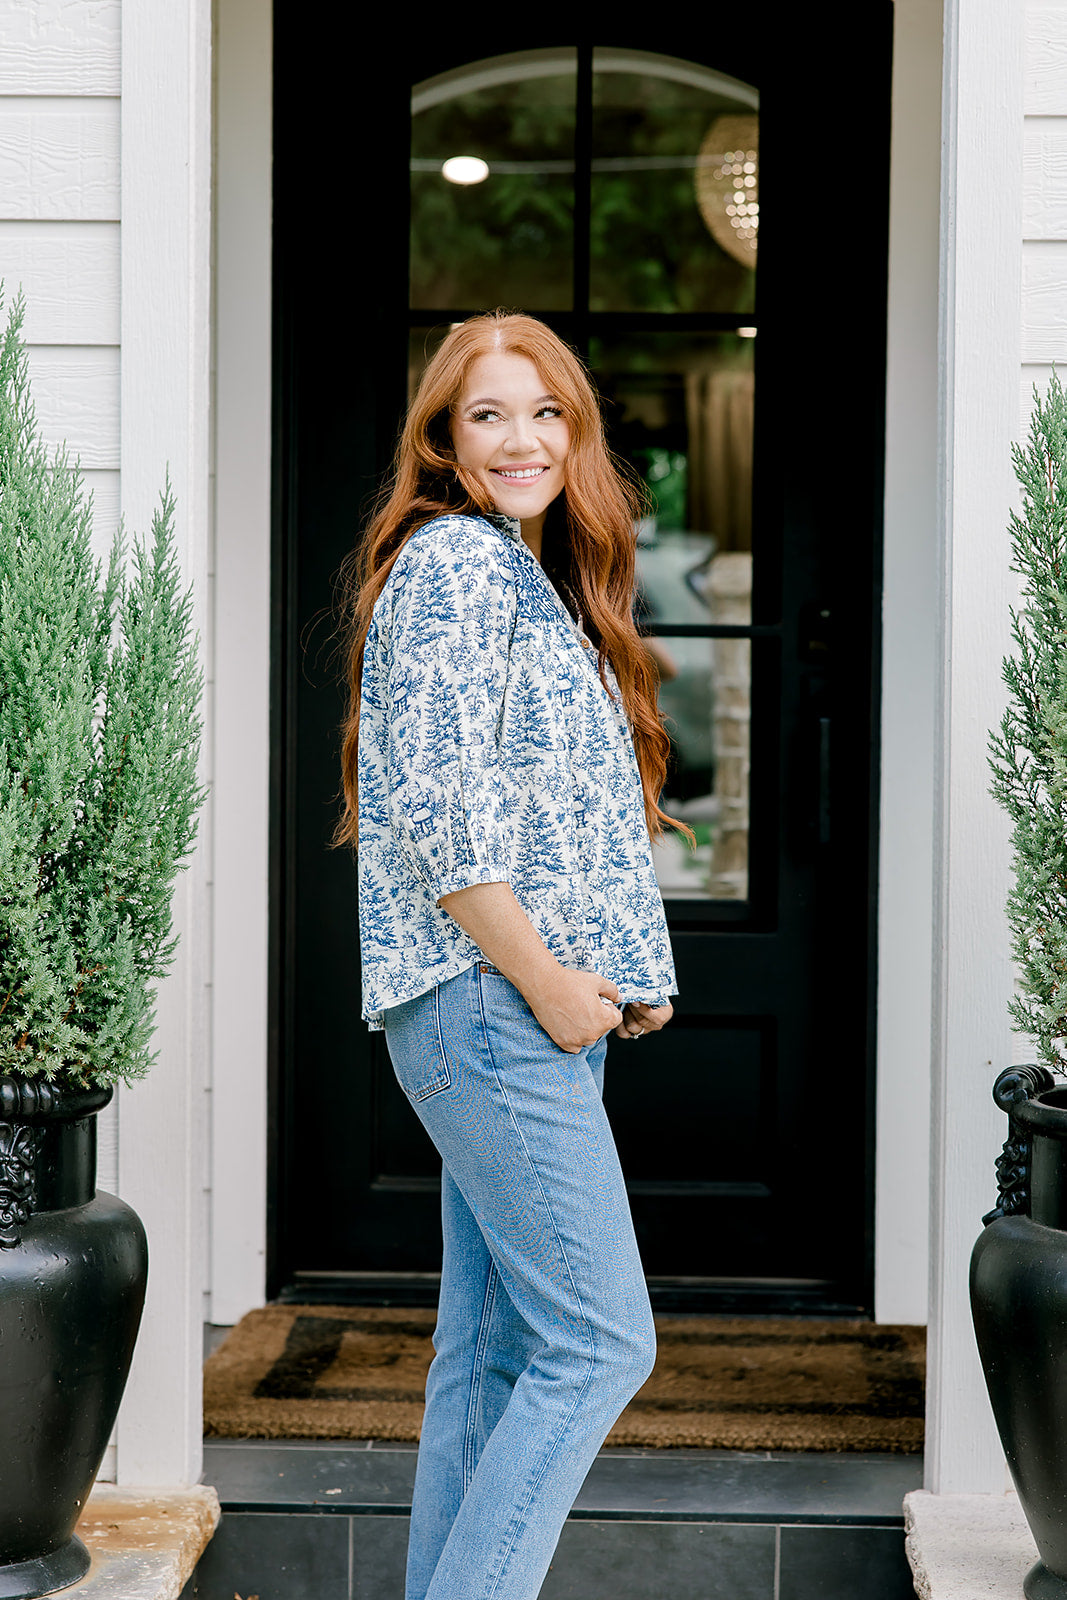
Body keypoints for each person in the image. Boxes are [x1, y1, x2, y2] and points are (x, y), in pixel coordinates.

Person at [336, 310, 682, 1600]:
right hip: (495, 1009)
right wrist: (549, 983)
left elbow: (538, 814)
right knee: (600, 1344)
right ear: (444, 439)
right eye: (489, 414)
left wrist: (608, 976)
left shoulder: (514, 577)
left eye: (545, 412)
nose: (523, 438)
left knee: (489, 1356)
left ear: (577, 431)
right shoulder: (462, 568)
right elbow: (447, 828)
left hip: (510, 1009)